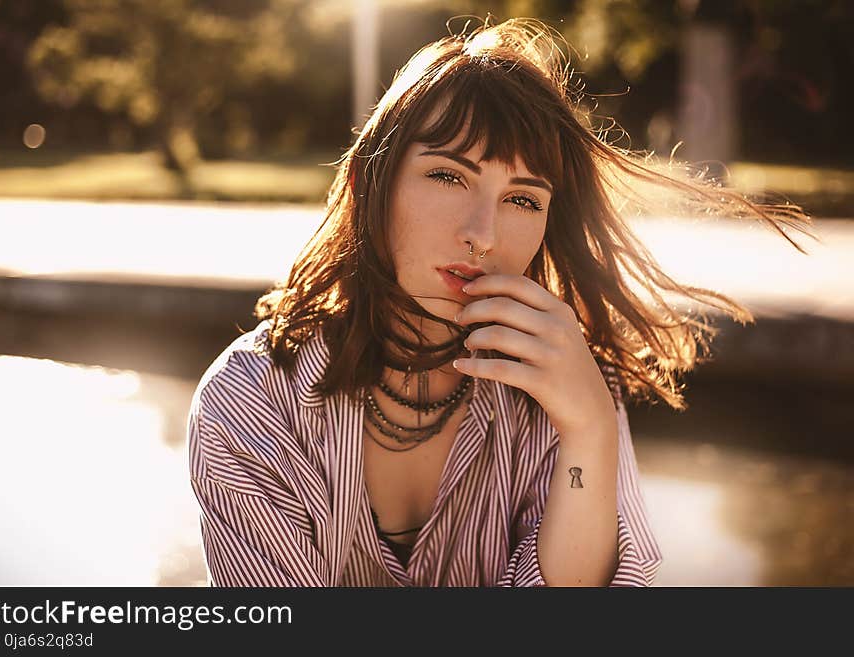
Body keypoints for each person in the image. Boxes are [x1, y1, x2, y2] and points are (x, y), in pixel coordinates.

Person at [186, 16, 812, 586]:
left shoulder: (561, 377)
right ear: (368, 183)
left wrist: (588, 430)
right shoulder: (249, 404)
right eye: (447, 176)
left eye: (522, 199)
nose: (482, 235)